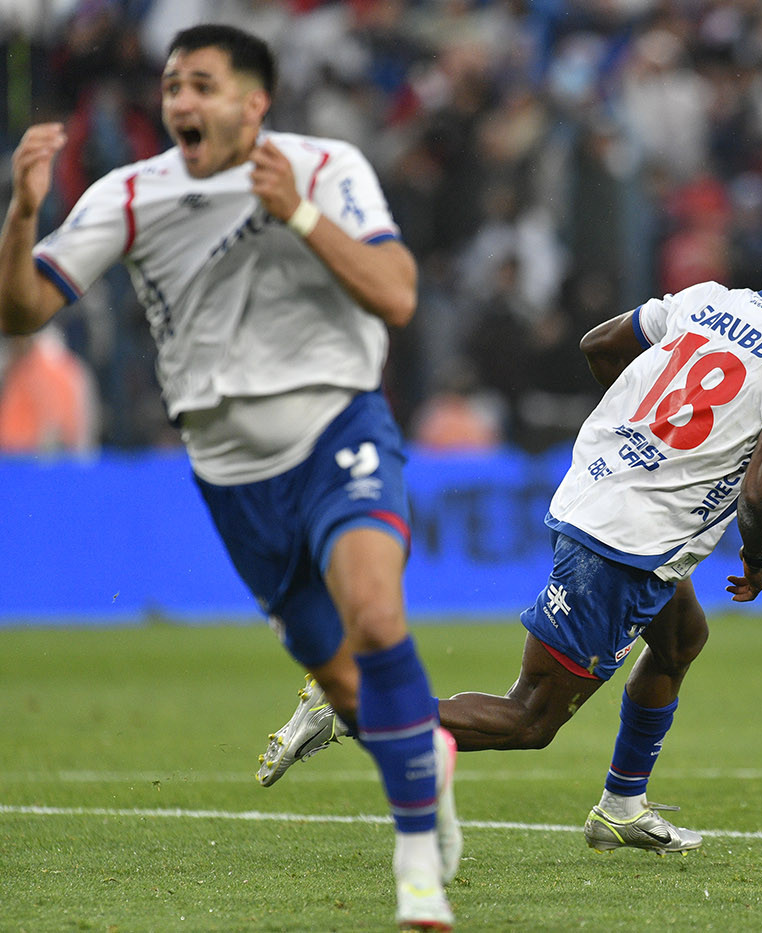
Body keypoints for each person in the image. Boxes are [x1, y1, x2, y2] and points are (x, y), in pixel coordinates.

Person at [0, 24, 460, 931]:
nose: (181, 102)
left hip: (339, 425)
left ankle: (417, 869)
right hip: (230, 470)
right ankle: (428, 764)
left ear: (255, 103)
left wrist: (296, 212)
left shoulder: (326, 168)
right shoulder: (132, 193)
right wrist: (20, 212)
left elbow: (398, 293)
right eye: (172, 86)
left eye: (202, 85)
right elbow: (22, 309)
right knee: (344, 685)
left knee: (375, 613)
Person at [262, 218, 762, 853]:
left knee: (680, 639)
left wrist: (644, 433)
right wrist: (757, 556)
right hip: (628, 538)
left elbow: (599, 344)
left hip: (601, 495)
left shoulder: (708, 300)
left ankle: (621, 807)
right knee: (530, 718)